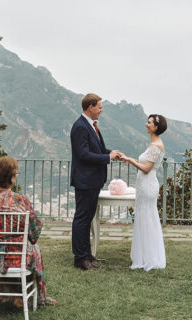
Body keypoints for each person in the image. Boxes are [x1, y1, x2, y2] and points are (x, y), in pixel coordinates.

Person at [0, 156, 57, 306]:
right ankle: (35, 297)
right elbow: (35, 230)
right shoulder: (20, 200)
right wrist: (28, 240)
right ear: (11, 178)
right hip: (19, 257)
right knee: (35, 249)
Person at [69, 93, 124, 270]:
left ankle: (86, 254)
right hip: (85, 180)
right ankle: (80, 258)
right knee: (82, 218)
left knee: (87, 218)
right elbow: (84, 154)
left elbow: (97, 149)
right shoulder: (80, 127)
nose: (101, 110)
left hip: (92, 181)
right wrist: (107, 157)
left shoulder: (90, 125)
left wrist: (111, 153)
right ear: (90, 107)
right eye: (99, 107)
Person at [121, 114, 168, 271]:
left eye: (148, 123)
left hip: (148, 186)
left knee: (147, 220)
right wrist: (131, 160)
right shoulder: (153, 143)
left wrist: (130, 160)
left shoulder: (156, 146)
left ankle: (149, 258)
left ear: (156, 127)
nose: (146, 124)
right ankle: (145, 255)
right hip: (143, 186)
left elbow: (147, 169)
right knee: (143, 219)